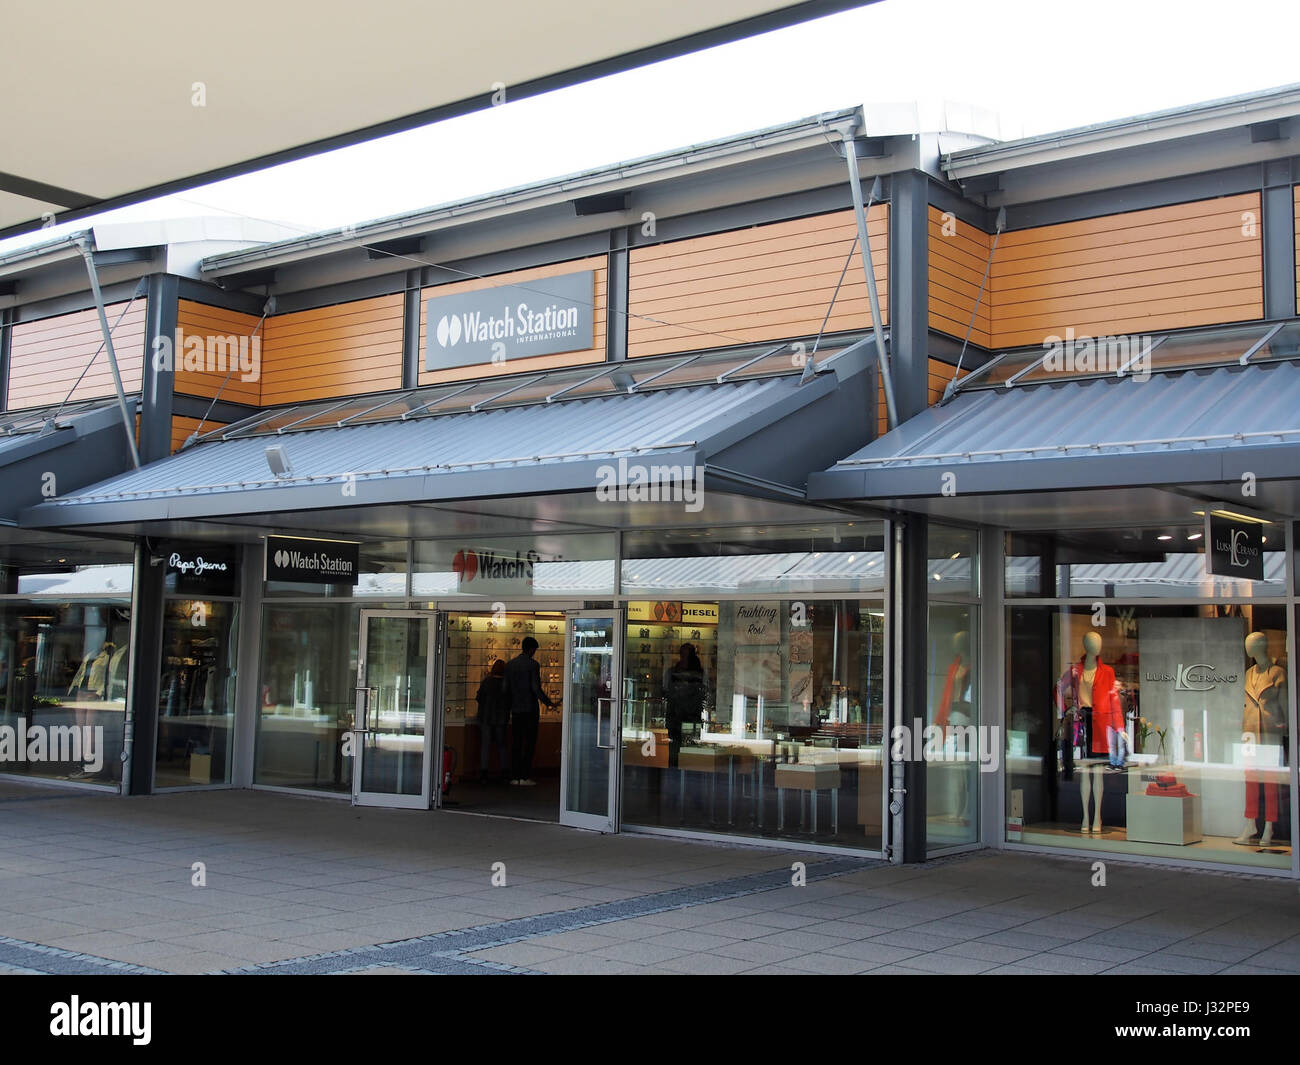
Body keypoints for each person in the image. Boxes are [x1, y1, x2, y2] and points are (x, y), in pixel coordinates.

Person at [503, 636, 557, 786]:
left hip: (516, 710)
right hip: (530, 710)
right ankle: (525, 776)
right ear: (532, 649)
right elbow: (535, 688)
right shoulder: (533, 665)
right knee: (530, 743)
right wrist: (548, 703)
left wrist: (508, 708)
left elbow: (505, 690)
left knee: (516, 742)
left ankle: (515, 776)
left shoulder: (510, 665)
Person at [663, 643, 707, 768]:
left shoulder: (697, 672)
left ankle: (687, 762)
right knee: (676, 743)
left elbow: (703, 692)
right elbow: (667, 691)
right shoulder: (674, 671)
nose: (683, 656)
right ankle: (677, 762)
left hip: (691, 714)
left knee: (690, 743)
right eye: (682, 653)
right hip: (677, 715)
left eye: (685, 653)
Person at [474, 659, 510, 784]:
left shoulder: (487, 681)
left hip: (486, 717)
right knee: (502, 745)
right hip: (501, 718)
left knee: (485, 745)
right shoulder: (506, 683)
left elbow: (479, 698)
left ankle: (484, 772)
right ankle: (504, 771)